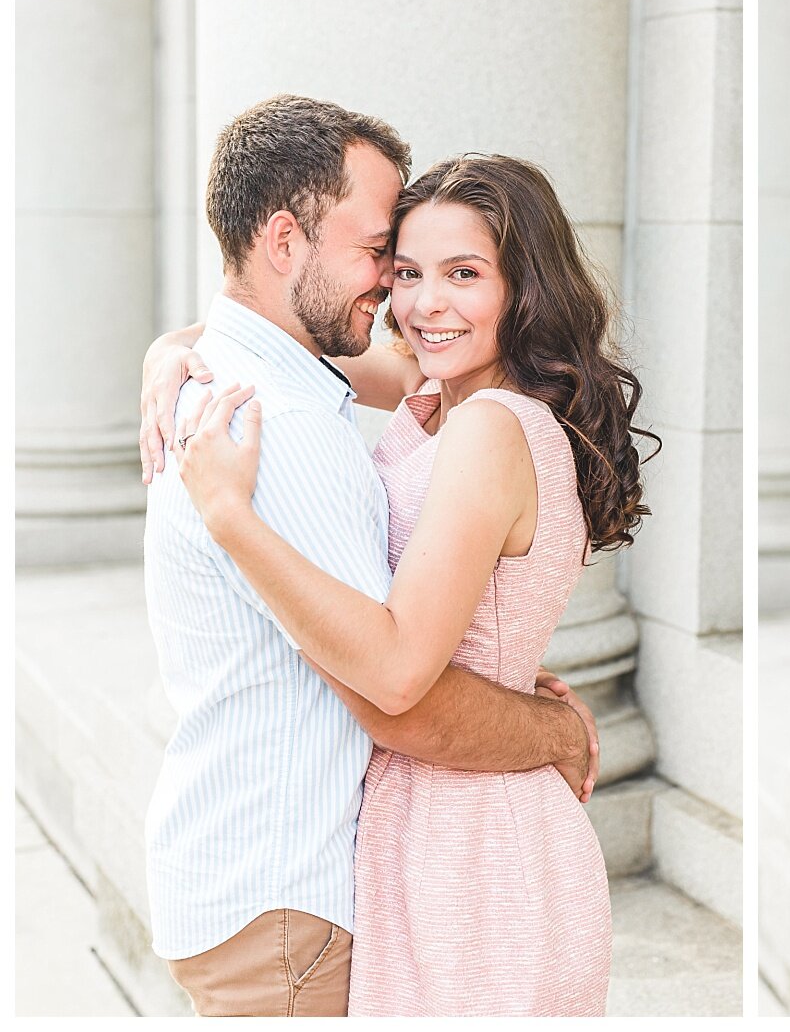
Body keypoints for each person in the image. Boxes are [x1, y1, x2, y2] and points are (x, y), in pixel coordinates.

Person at [140, 97, 610, 1016]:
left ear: (523, 288)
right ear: (286, 241)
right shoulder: (408, 391)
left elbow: (399, 673)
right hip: (366, 844)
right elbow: (263, 336)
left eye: (464, 273)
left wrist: (232, 511)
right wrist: (170, 350)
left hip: (457, 832)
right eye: (396, 267)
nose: (416, 302)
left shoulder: (480, 423)